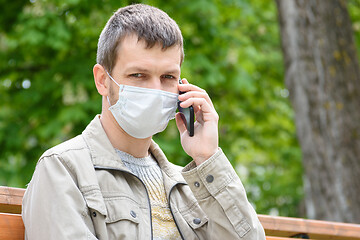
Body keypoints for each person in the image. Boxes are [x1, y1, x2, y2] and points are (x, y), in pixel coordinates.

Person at [22, 4, 265, 240]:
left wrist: (207, 158)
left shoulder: (188, 187)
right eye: (138, 75)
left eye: (168, 77)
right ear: (102, 81)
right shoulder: (63, 170)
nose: (155, 89)